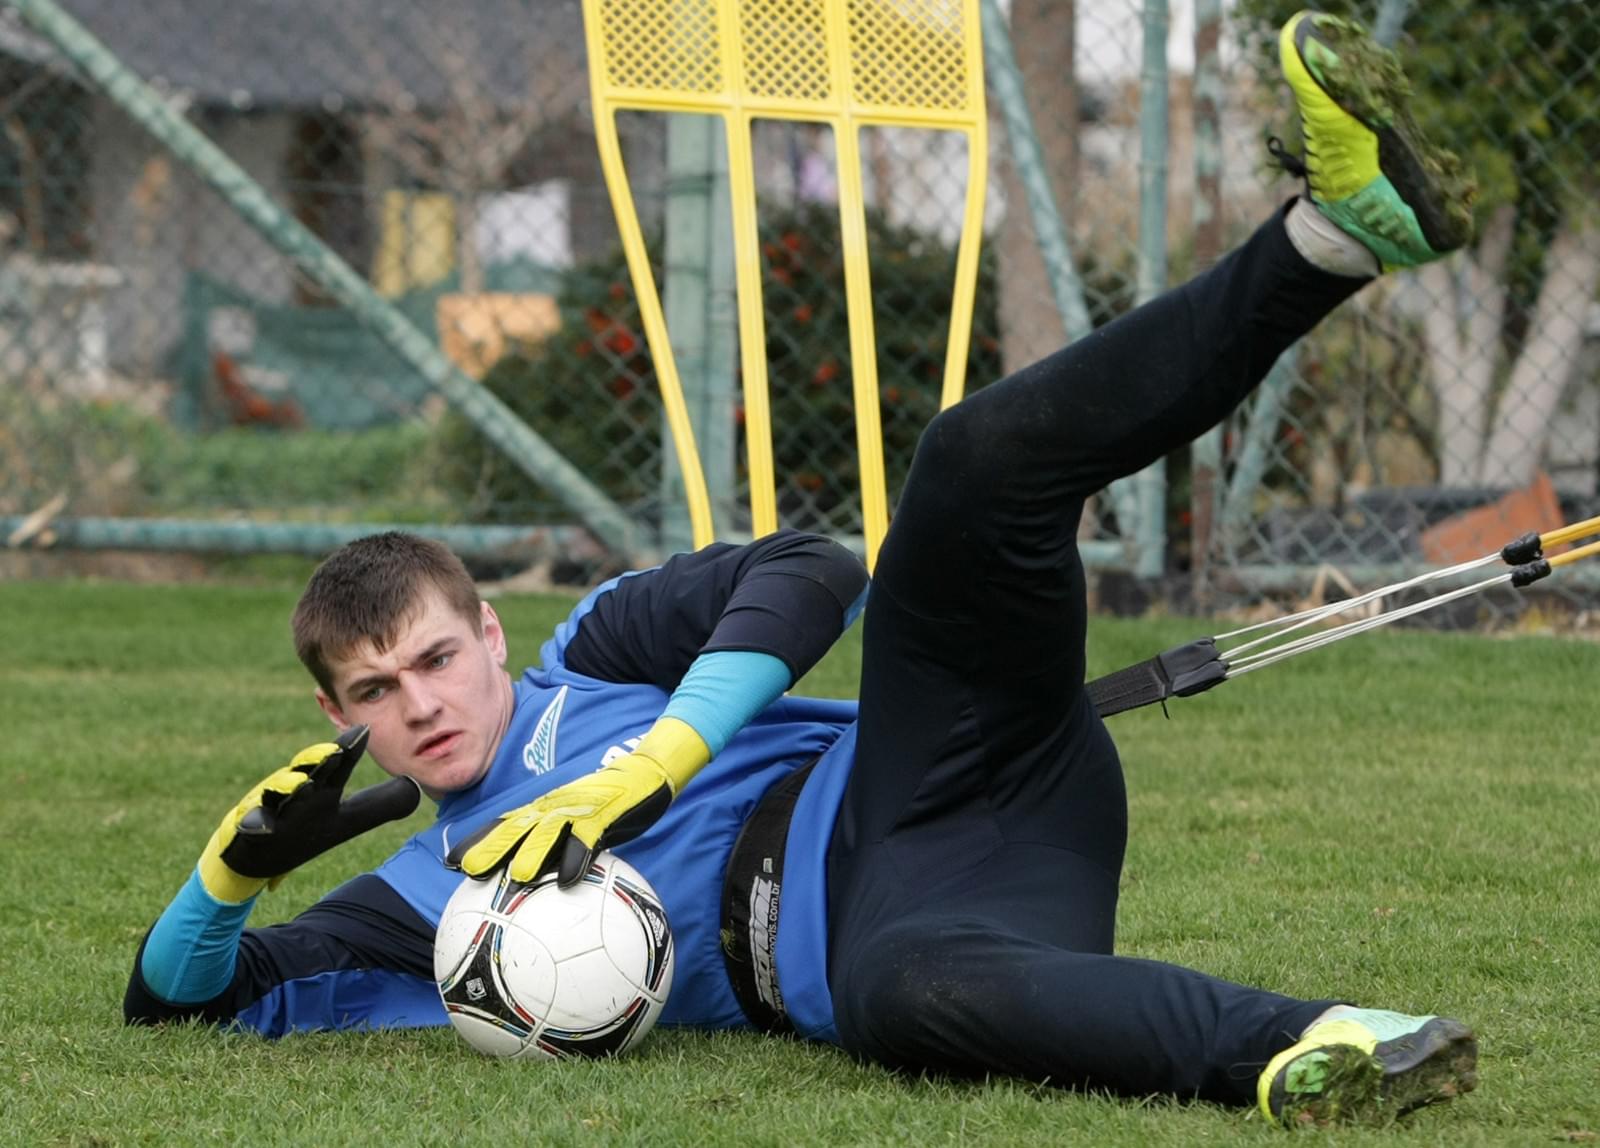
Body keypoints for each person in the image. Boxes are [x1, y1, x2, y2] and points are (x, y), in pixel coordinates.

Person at [125, 11, 1481, 1129]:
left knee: (967, 468)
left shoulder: (591, 653)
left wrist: (654, 757)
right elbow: (184, 1008)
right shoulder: (421, 907)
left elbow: (810, 571)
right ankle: (1336, 1040)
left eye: (432, 656)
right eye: (375, 692)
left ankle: (1337, 235)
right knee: (900, 1005)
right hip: (902, 934)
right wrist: (228, 878)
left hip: (946, 759)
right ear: (340, 723)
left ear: (487, 632)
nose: (418, 702)